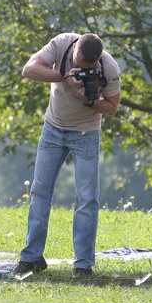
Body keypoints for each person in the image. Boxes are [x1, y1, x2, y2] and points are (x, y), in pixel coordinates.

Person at [14, 32, 122, 278]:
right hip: (52, 129)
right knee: (40, 191)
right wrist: (63, 76)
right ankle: (31, 257)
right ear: (74, 50)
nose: (81, 69)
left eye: (87, 68)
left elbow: (113, 107)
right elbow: (29, 69)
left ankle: (83, 264)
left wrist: (90, 101)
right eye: (78, 64)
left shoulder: (109, 67)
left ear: (97, 61)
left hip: (86, 134)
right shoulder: (61, 43)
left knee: (87, 198)